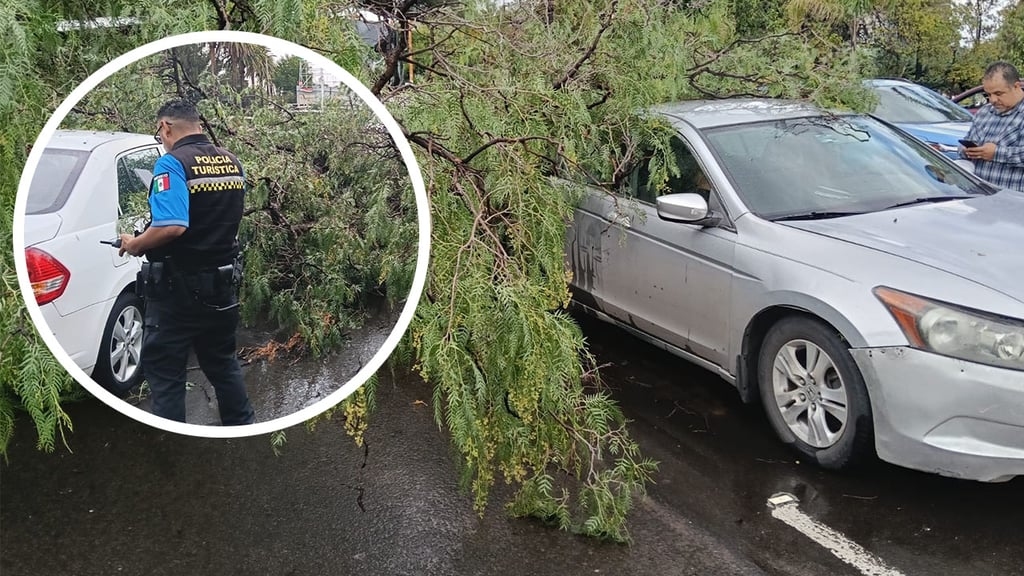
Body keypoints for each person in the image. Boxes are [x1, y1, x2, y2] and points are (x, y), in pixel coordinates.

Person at [118, 99, 255, 425]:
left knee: (165, 374)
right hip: (223, 289)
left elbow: (172, 225)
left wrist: (135, 244)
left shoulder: (172, 164)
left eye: (159, 133)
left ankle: (173, 448)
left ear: (165, 127)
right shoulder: (232, 162)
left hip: (177, 294)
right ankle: (244, 429)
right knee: (223, 365)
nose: (161, 139)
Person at [960, 61, 1024, 192]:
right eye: (988, 95)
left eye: (999, 93)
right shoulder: (984, 112)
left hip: (1014, 201)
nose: (993, 100)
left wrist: (996, 153)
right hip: (978, 196)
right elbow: (967, 140)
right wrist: (966, 150)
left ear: (1016, 86)